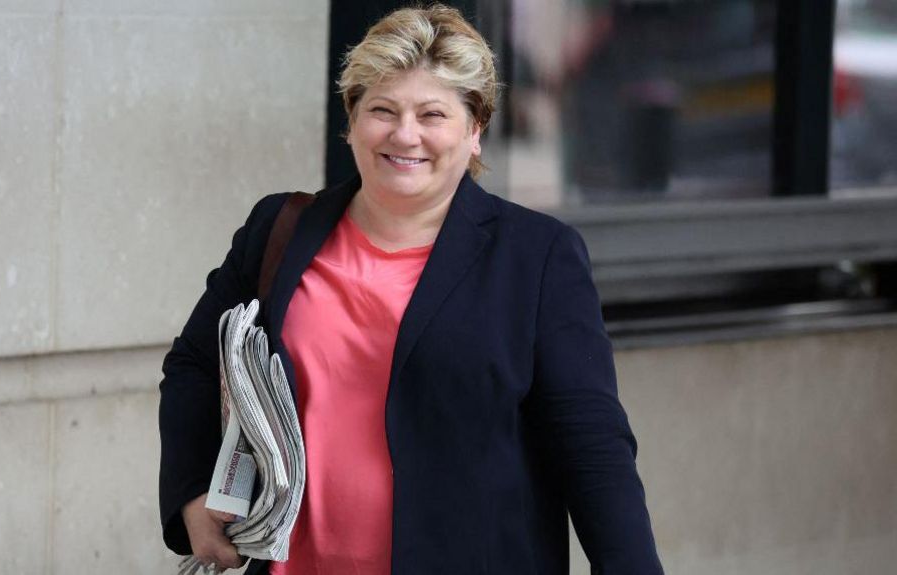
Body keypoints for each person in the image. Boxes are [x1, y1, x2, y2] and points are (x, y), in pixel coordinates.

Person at [159, 5, 663, 574]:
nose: (405, 134)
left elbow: (593, 449)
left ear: (474, 131)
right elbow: (194, 364)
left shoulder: (537, 257)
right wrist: (192, 497)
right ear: (351, 120)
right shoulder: (279, 231)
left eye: (432, 114)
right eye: (381, 109)